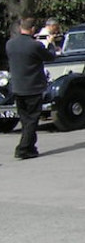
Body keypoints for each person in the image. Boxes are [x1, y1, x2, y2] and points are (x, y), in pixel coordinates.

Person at [6, 16, 56, 159]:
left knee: (25, 119)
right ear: (33, 29)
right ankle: (23, 148)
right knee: (32, 120)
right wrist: (51, 44)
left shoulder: (10, 44)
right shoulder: (34, 45)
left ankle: (30, 146)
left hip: (17, 87)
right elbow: (50, 57)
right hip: (33, 87)